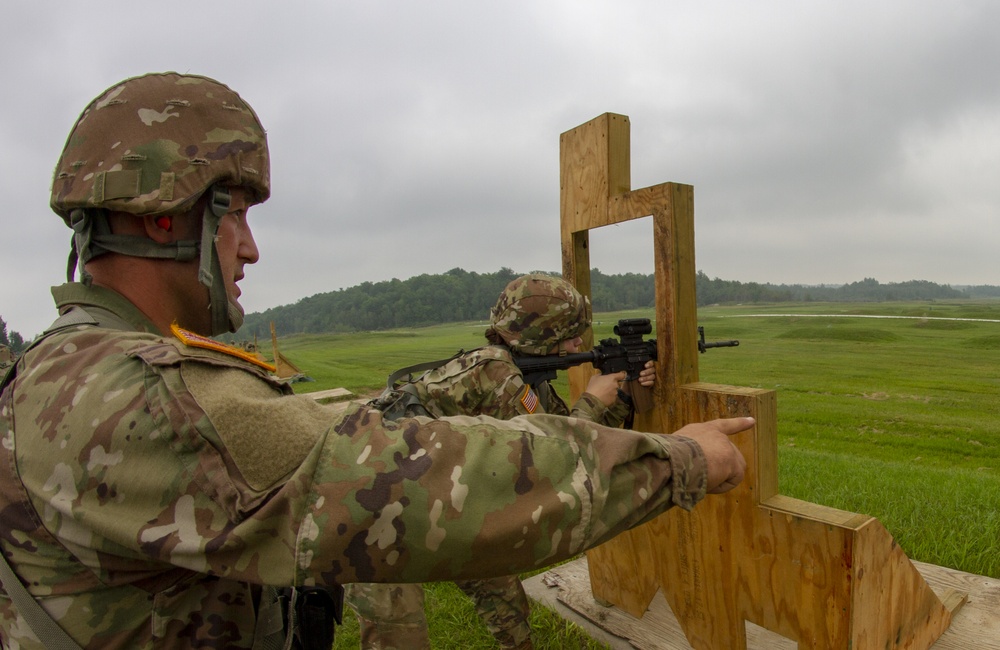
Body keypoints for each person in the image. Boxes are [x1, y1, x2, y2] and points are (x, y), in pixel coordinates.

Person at [0, 72, 750, 649]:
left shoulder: (65, 371)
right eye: (234, 218)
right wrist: (678, 462)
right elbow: (443, 489)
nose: (250, 249)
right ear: (164, 216)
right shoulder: (140, 397)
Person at [347, 273, 655, 649]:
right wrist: (592, 400)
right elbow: (554, 456)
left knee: (502, 594)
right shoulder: (496, 374)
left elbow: (578, 431)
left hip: (436, 495)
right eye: (570, 333)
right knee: (397, 633)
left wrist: (622, 393)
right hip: (374, 500)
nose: (579, 343)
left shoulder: (523, 377)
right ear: (539, 334)